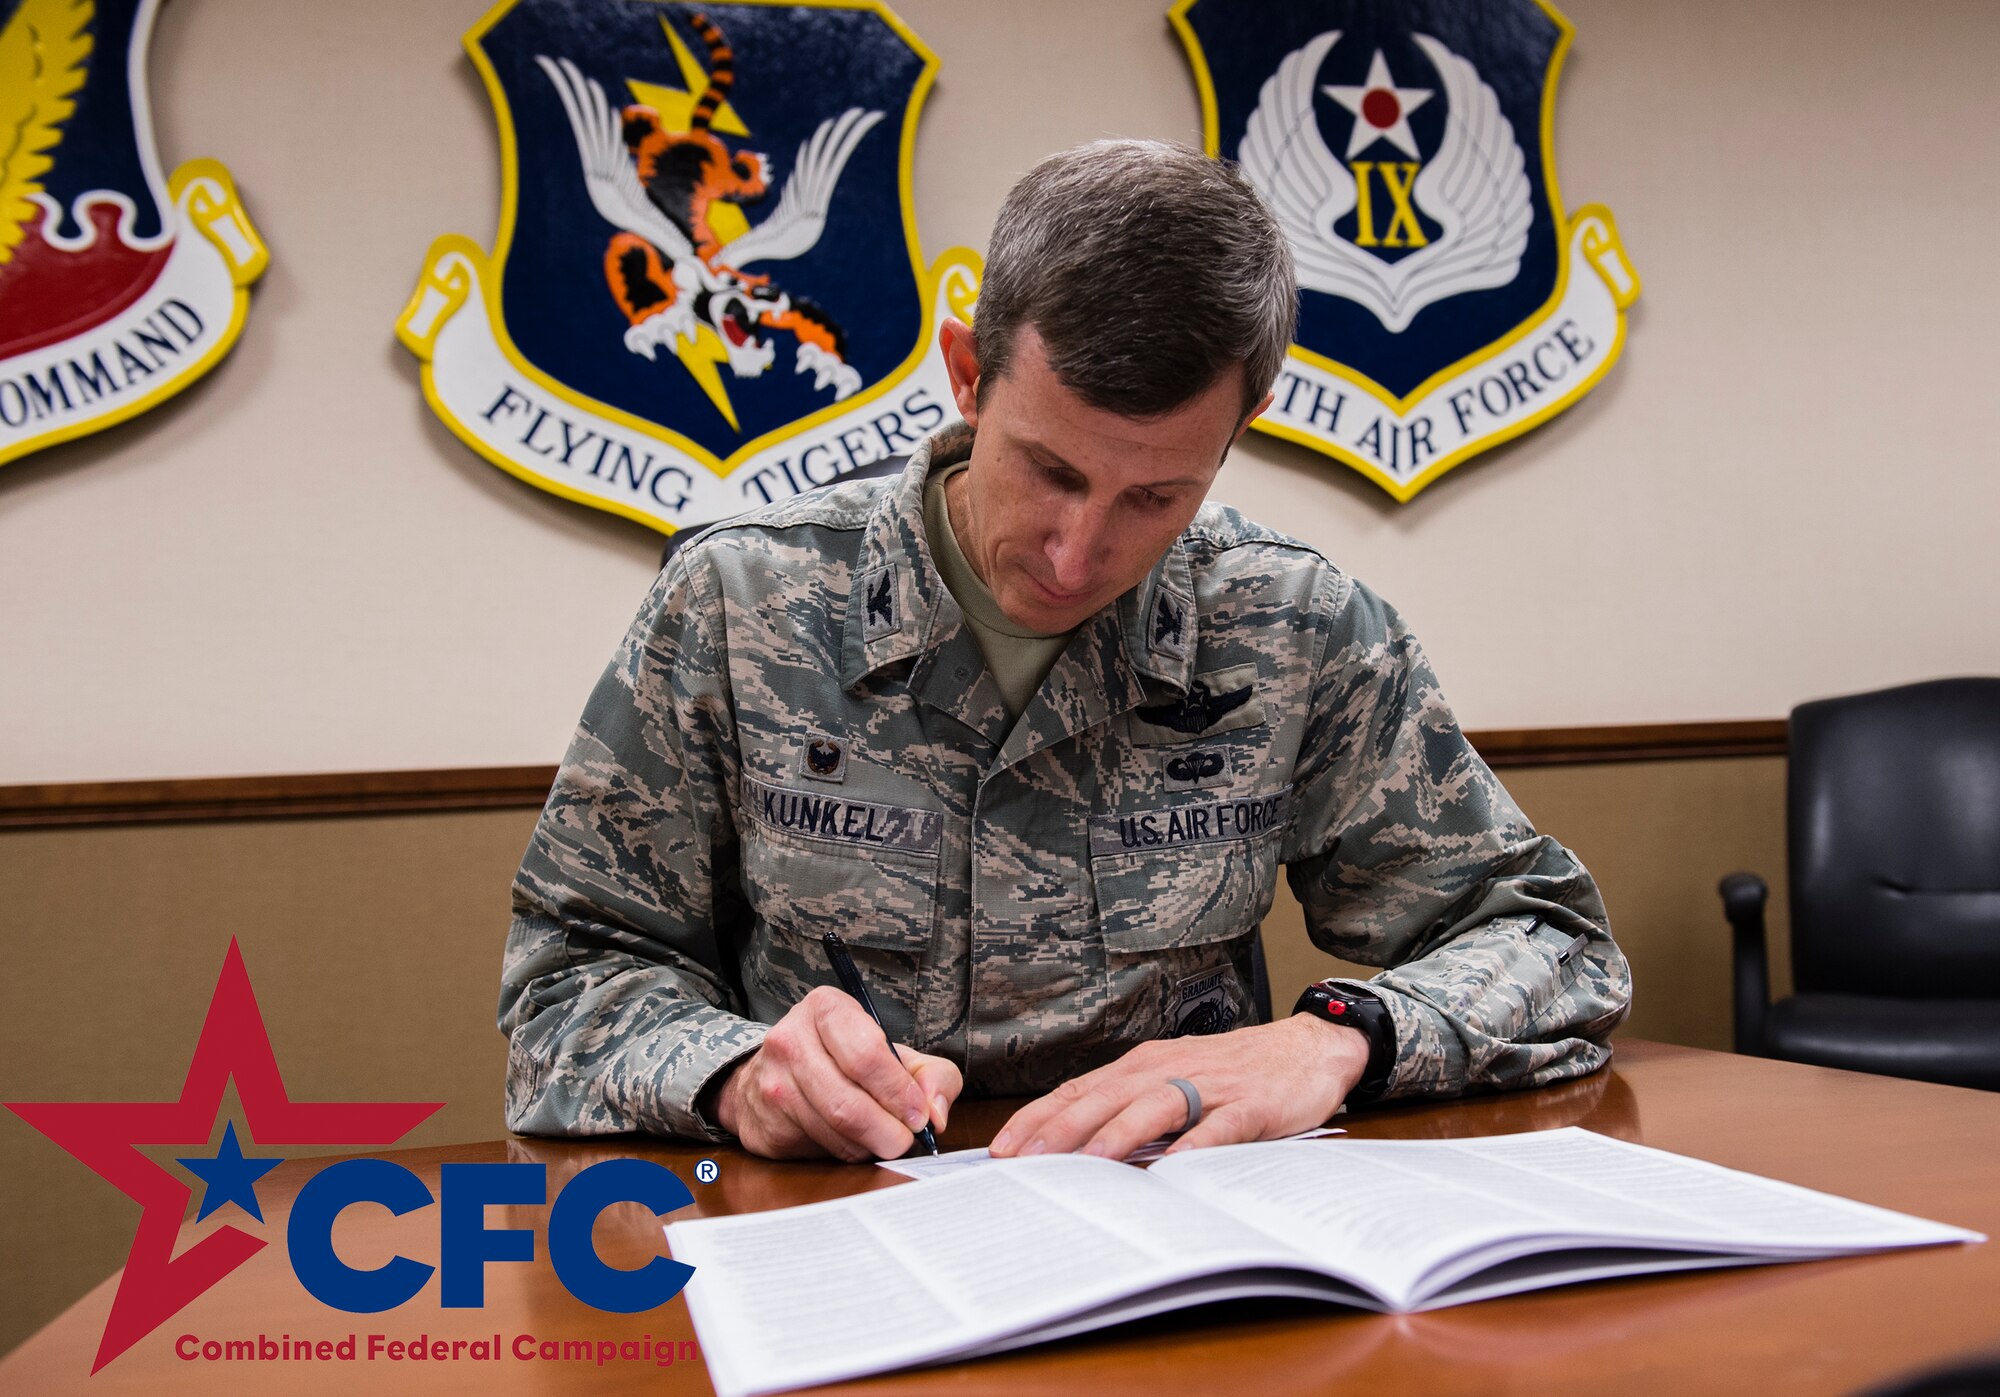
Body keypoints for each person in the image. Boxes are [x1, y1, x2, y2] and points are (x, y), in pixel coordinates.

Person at [499, 140, 1630, 1163]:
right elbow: (567, 980)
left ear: (1240, 428)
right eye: (1049, 469)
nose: (1078, 553)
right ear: (966, 373)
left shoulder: (1294, 627)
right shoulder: (740, 603)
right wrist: (738, 1075)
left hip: (1180, 1242)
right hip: (829, 1236)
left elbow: (1553, 942)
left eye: (1156, 495)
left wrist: (1338, 1039)